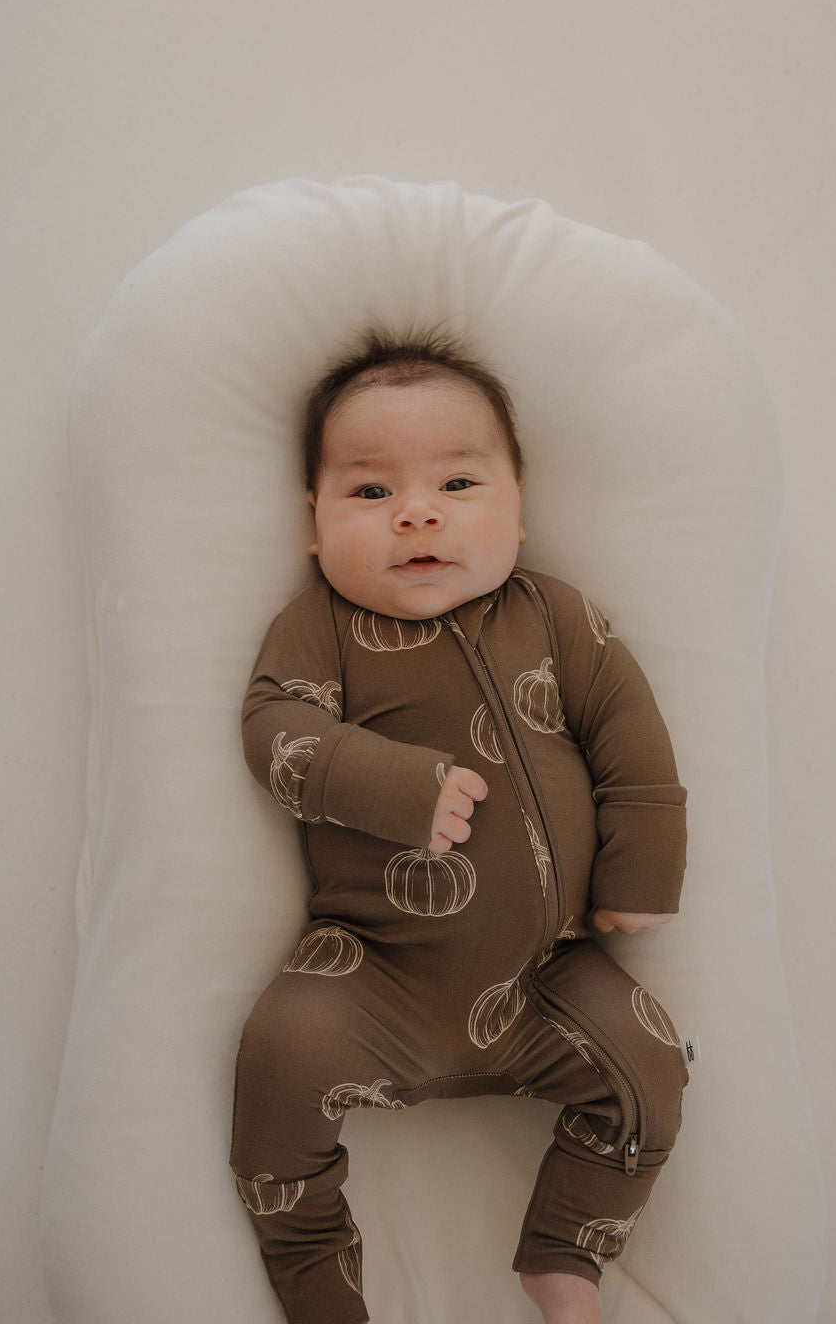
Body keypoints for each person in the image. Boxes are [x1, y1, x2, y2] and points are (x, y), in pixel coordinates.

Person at [230, 328, 689, 1324]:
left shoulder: (556, 618)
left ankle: (565, 1255)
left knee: (652, 1069)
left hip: (547, 978)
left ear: (519, 507)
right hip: (370, 976)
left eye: (458, 483)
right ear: (312, 523)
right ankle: (318, 1287)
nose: (417, 512)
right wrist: (391, 784)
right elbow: (275, 730)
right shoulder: (321, 626)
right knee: (275, 1059)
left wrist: (642, 872)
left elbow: (631, 740)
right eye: (370, 491)